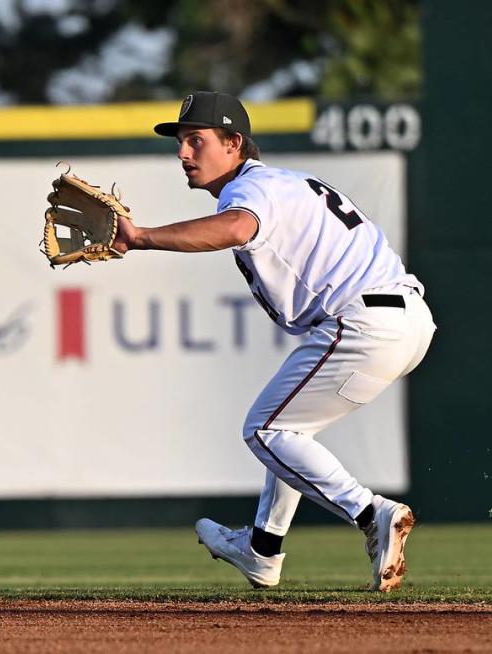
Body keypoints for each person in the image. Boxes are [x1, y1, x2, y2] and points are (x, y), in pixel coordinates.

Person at [110, 91, 436, 591]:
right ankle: (262, 549)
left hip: (364, 320)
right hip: (406, 320)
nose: (183, 153)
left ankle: (372, 514)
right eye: (180, 142)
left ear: (234, 143)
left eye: (196, 140)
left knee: (266, 431)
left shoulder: (252, 188)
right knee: (289, 430)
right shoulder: (280, 183)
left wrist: (141, 237)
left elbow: (237, 228)